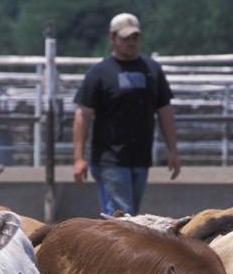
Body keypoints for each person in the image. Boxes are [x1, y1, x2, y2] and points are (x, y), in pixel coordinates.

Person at [72, 12, 181, 216]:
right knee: (123, 216)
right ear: (112, 38)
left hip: (140, 157)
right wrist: (79, 158)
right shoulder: (99, 73)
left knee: (128, 216)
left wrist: (172, 150)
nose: (131, 43)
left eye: (135, 38)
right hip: (109, 159)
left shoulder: (152, 70)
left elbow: (164, 110)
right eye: (125, 38)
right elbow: (83, 115)